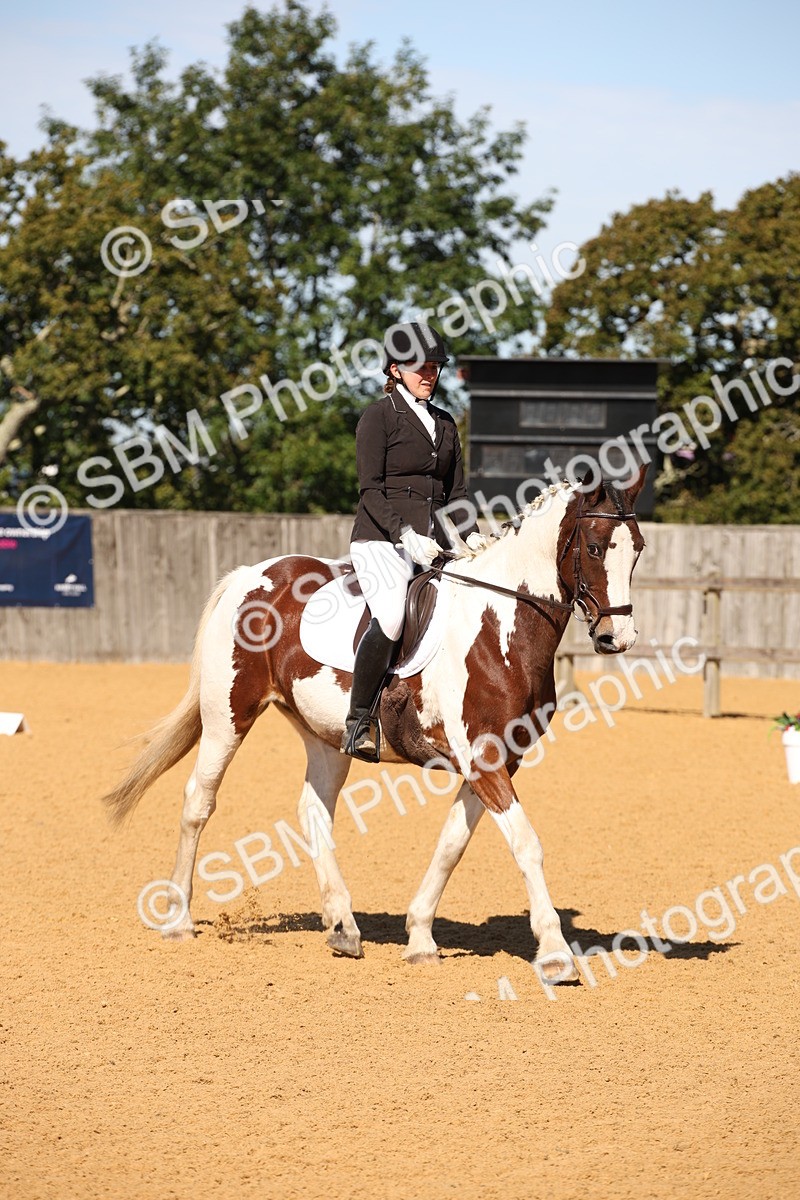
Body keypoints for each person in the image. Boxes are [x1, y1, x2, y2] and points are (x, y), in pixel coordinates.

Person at [343, 321, 487, 759]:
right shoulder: (379, 417)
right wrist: (404, 534)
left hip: (434, 543)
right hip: (381, 541)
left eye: (434, 367)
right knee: (390, 616)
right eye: (420, 367)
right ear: (395, 370)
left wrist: (472, 536)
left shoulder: (445, 423)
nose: (429, 374)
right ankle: (359, 720)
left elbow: (456, 494)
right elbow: (370, 490)